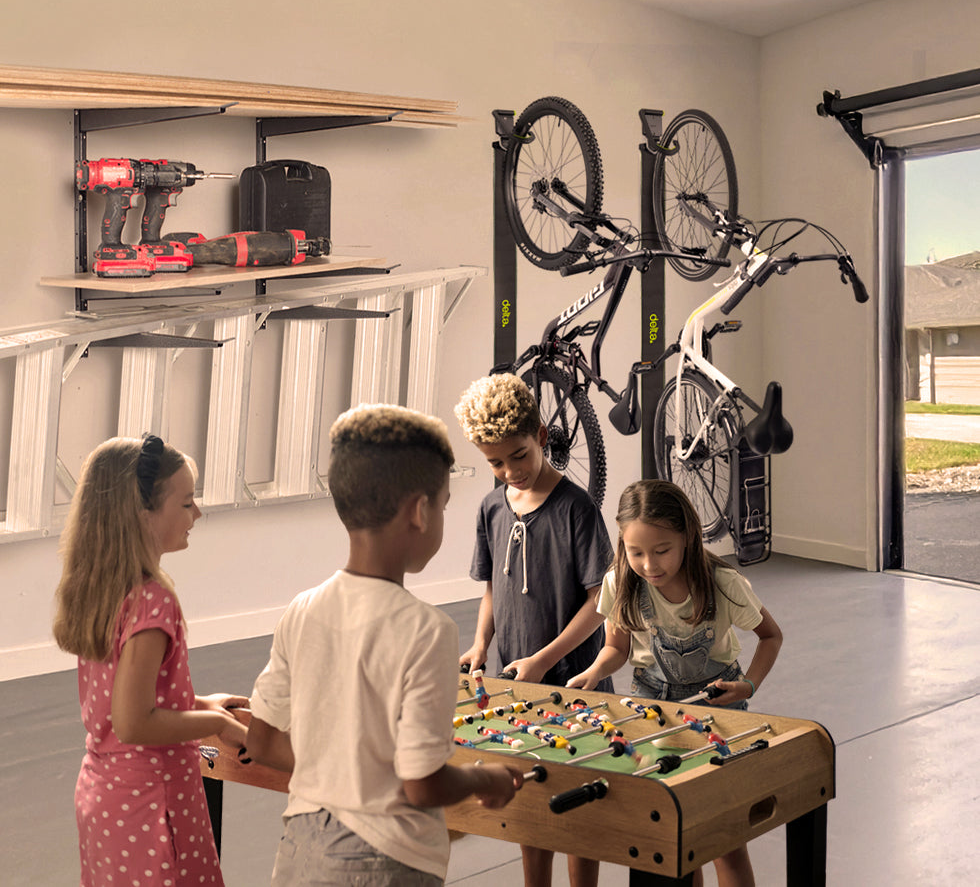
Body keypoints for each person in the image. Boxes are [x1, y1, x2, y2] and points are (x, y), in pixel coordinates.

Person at [245, 404, 523, 887]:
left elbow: (262, 741)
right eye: (442, 504)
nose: (439, 516)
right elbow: (421, 784)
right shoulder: (427, 630)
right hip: (383, 864)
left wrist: (344, 773)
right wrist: (485, 777)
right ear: (419, 511)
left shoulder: (302, 608)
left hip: (299, 851)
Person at [53, 434, 250, 887]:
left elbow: (125, 702)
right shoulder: (153, 601)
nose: (196, 515)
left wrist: (197, 702)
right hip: (153, 803)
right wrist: (214, 724)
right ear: (143, 515)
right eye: (186, 504)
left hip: (105, 799)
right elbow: (135, 722)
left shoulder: (100, 588)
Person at [567, 478, 784, 887]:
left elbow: (771, 637)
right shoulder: (621, 582)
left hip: (719, 705)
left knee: (723, 834)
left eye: (662, 550)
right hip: (652, 702)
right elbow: (616, 647)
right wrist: (595, 671)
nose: (649, 565)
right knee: (670, 825)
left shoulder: (723, 584)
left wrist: (749, 686)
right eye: (636, 552)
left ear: (686, 536)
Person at [454, 373, 612, 887]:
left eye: (518, 455)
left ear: (542, 436)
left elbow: (600, 602)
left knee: (578, 805)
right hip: (513, 682)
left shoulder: (577, 509)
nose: (509, 471)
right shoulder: (491, 508)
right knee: (528, 801)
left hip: (573, 682)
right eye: (495, 463)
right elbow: (492, 590)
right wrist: (481, 643)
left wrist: (545, 659)